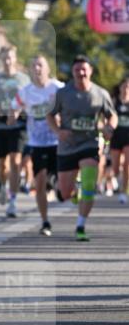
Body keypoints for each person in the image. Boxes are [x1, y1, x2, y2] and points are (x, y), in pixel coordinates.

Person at [46, 55, 117, 241]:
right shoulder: (63, 94)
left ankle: (80, 225)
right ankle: (75, 195)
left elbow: (112, 115)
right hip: (67, 145)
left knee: (88, 185)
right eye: (77, 70)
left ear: (91, 71)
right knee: (65, 192)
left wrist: (110, 127)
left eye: (84, 69)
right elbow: (50, 115)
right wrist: (58, 132)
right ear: (73, 72)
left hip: (89, 143)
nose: (81, 73)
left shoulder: (101, 94)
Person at [11, 56, 63, 236]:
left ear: (47, 68)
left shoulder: (58, 88)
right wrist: (14, 115)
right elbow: (14, 106)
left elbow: (71, 106)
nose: (37, 68)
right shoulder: (26, 91)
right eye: (33, 66)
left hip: (58, 142)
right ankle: (45, 221)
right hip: (37, 142)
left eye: (40, 65)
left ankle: (61, 188)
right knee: (39, 182)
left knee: (63, 189)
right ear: (30, 71)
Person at [0, 45, 30, 218]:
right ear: (1, 60)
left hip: (18, 125)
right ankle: (3, 185)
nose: (8, 61)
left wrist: (20, 110)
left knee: (16, 161)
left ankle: (13, 200)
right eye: (4, 58)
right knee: (2, 163)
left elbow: (30, 100)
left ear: (15, 58)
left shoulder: (24, 80)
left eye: (10, 57)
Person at [110, 76, 129, 204]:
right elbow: (106, 116)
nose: (126, 89)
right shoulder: (114, 102)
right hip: (116, 137)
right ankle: (116, 178)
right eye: (124, 86)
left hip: (128, 137)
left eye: (128, 87)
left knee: (126, 165)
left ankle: (123, 191)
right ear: (120, 87)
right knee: (115, 167)